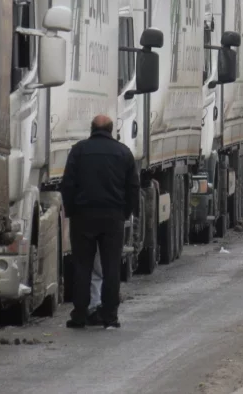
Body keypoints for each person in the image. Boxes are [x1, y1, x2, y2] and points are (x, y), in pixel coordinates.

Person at [60, 114, 139, 329]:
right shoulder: (124, 153)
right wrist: (125, 212)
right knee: (111, 267)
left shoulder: (79, 150)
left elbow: (67, 184)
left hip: (83, 217)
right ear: (112, 130)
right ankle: (110, 316)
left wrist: (72, 210)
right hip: (112, 217)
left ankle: (79, 315)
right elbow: (133, 188)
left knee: (82, 267)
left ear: (91, 128)